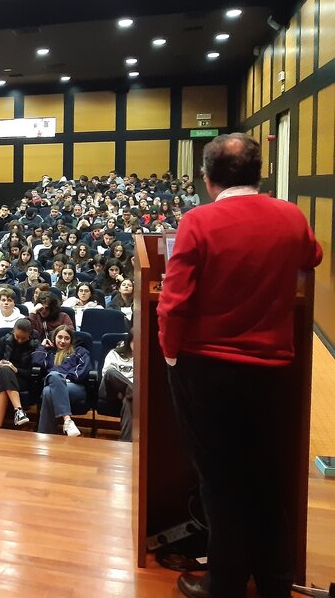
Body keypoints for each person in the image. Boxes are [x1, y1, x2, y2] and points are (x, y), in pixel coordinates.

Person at [157, 133, 322, 598]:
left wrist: (170, 354)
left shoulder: (198, 221)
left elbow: (174, 302)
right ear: (259, 174)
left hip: (207, 370)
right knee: (268, 476)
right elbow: (312, 256)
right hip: (271, 370)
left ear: (208, 178)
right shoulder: (290, 215)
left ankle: (225, 582)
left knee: (220, 478)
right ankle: (275, 582)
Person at [35, 325, 91, 437]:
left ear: (71, 340)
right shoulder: (50, 353)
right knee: (48, 391)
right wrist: (42, 347)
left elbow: (83, 371)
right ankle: (67, 421)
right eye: (59, 337)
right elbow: (37, 361)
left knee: (53, 378)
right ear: (54, 338)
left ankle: (44, 435)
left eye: (66, 338)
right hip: (53, 386)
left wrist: (62, 378)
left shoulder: (80, 352)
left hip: (74, 386)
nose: (62, 341)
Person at [0, 318, 42, 428]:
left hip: (22, 379)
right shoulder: (4, 341)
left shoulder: (35, 346)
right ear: (13, 331)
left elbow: (33, 373)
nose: (19, 340)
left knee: (4, 379)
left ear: (29, 334)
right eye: (17, 337)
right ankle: (18, 410)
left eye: (23, 338)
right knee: (4, 370)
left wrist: (15, 369)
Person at [99, 332, 134, 442]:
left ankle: (126, 442)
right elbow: (106, 374)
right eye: (135, 341)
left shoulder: (145, 356)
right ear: (129, 341)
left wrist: (126, 391)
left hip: (130, 393)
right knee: (110, 372)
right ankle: (132, 391)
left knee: (128, 400)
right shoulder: (114, 353)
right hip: (110, 390)